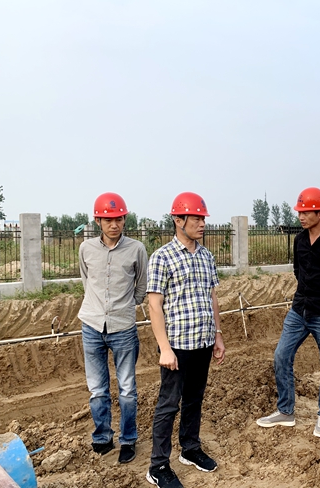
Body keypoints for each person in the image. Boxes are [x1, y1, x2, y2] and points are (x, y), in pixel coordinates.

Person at [146, 192, 226, 488]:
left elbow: (212, 297)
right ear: (179, 220)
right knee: (169, 404)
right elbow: (154, 305)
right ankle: (158, 465)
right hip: (177, 346)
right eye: (196, 218)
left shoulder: (206, 256)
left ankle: (190, 448)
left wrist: (217, 334)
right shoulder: (162, 257)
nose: (202, 223)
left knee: (194, 399)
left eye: (203, 218)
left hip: (202, 342)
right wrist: (164, 348)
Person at [256, 187, 320, 438]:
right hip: (299, 310)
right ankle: (285, 411)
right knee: (281, 356)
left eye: (306, 212)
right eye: (299, 212)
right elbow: (298, 272)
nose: (301, 216)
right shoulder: (298, 240)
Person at [78, 192, 148, 464]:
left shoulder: (136, 249)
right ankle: (102, 437)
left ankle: (128, 439)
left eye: (118, 219)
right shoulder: (86, 249)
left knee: (127, 389)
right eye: (108, 220)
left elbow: (141, 287)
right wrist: (98, 307)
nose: (114, 224)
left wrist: (125, 306)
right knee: (97, 389)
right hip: (92, 325)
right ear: (98, 221)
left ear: (124, 219)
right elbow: (87, 281)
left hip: (123, 328)